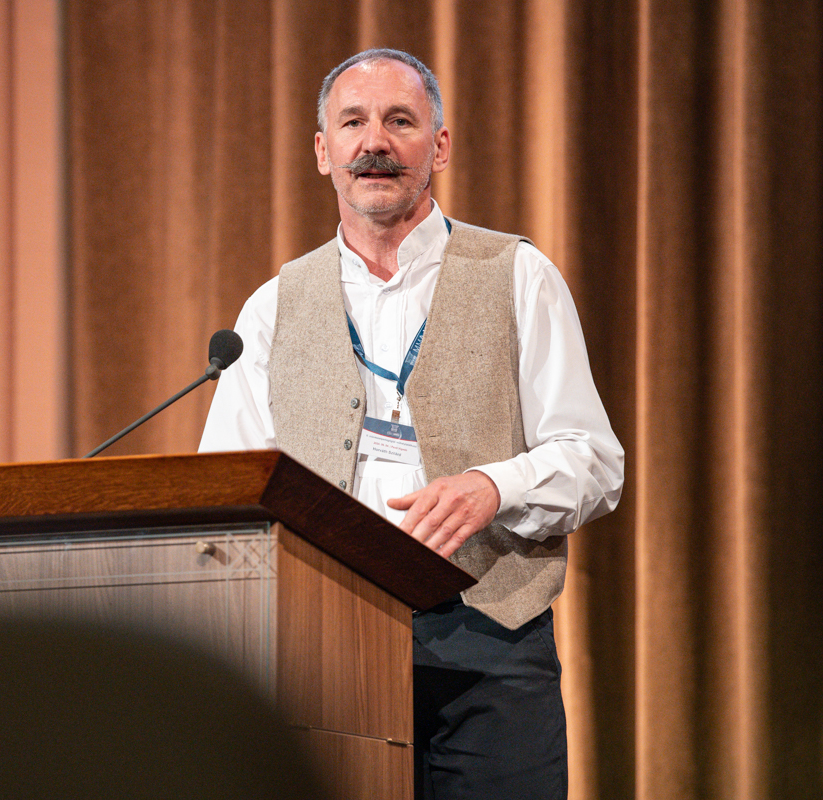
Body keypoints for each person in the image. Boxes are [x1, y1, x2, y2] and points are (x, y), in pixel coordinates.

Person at [198, 48, 624, 800]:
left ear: (440, 145)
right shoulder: (272, 308)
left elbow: (593, 459)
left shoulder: (518, 276)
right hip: (325, 652)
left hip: (490, 646)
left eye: (400, 121)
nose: (376, 142)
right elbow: (224, 491)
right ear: (323, 151)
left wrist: (494, 487)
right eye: (353, 123)